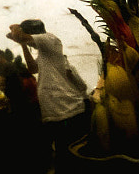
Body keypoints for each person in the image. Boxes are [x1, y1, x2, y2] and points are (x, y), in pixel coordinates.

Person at [8, 20, 89, 165]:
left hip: (66, 109)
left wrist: (15, 30)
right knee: (64, 153)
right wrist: (23, 45)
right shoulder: (44, 55)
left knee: (72, 154)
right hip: (55, 111)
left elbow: (20, 36)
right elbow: (33, 68)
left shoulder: (49, 39)